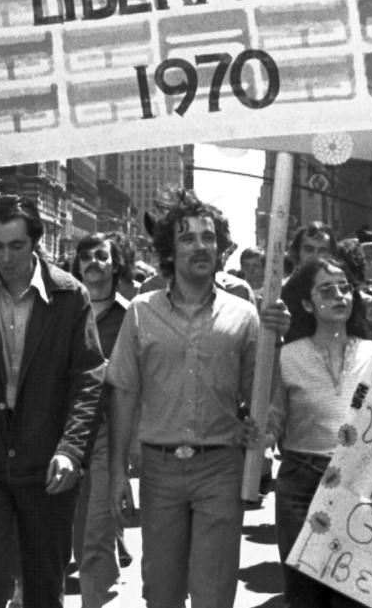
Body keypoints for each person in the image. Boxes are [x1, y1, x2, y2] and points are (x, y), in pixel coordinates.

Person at [106, 187, 265, 608]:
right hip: (158, 472)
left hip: (221, 469)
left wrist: (260, 429)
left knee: (214, 593)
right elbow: (124, 394)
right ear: (169, 251)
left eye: (208, 237)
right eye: (188, 238)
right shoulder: (140, 312)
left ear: (220, 248)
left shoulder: (245, 316)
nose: (200, 246)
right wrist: (118, 473)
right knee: (162, 592)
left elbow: (261, 398)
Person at [0, 195, 103, 608]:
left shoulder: (70, 296)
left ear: (36, 242)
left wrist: (71, 450)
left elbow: (88, 381)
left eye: (16, 245)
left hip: (47, 467)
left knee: (43, 591)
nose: (5, 257)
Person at [265, 255, 372, 608]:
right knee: (305, 596)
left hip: (360, 483)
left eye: (345, 288)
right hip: (301, 486)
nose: (339, 296)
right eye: (326, 290)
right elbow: (274, 420)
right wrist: (256, 436)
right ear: (307, 303)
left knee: (353, 596)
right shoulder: (287, 356)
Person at [69, 233, 134, 608]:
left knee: (98, 533)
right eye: (86, 256)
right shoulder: (61, 311)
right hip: (61, 432)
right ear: (76, 266)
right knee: (60, 533)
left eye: (101, 256)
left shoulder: (132, 316)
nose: (93, 261)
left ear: (116, 264)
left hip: (108, 432)